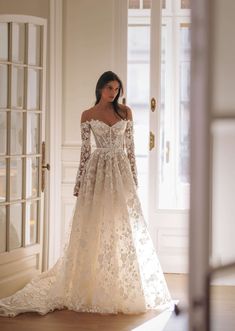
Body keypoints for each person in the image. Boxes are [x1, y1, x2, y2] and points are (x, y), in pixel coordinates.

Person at [0, 71, 172, 317]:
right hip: (97, 172)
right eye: (109, 88)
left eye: (116, 89)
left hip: (121, 171)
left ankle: (119, 282)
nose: (113, 93)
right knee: (94, 224)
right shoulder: (87, 115)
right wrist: (79, 181)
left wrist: (134, 179)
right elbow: (85, 152)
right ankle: (92, 281)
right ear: (100, 88)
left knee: (121, 224)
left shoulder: (126, 112)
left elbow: (131, 149)